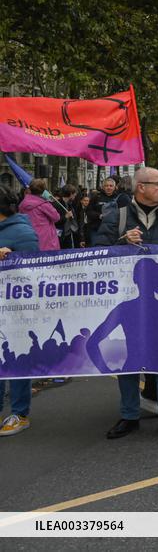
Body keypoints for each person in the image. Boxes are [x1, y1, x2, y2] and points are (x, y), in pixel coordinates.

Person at [92, 167, 158, 438]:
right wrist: (122, 242)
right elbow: (98, 251)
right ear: (140, 188)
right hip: (128, 300)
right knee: (130, 359)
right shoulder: (117, 217)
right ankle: (129, 415)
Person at [0, 185, 40, 436]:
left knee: (14, 359)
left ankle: (19, 412)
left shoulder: (22, 232)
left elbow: (30, 273)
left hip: (14, 309)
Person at [18, 179, 60, 251]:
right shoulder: (44, 204)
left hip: (28, 237)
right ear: (44, 191)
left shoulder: (22, 204)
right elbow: (56, 217)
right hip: (45, 240)